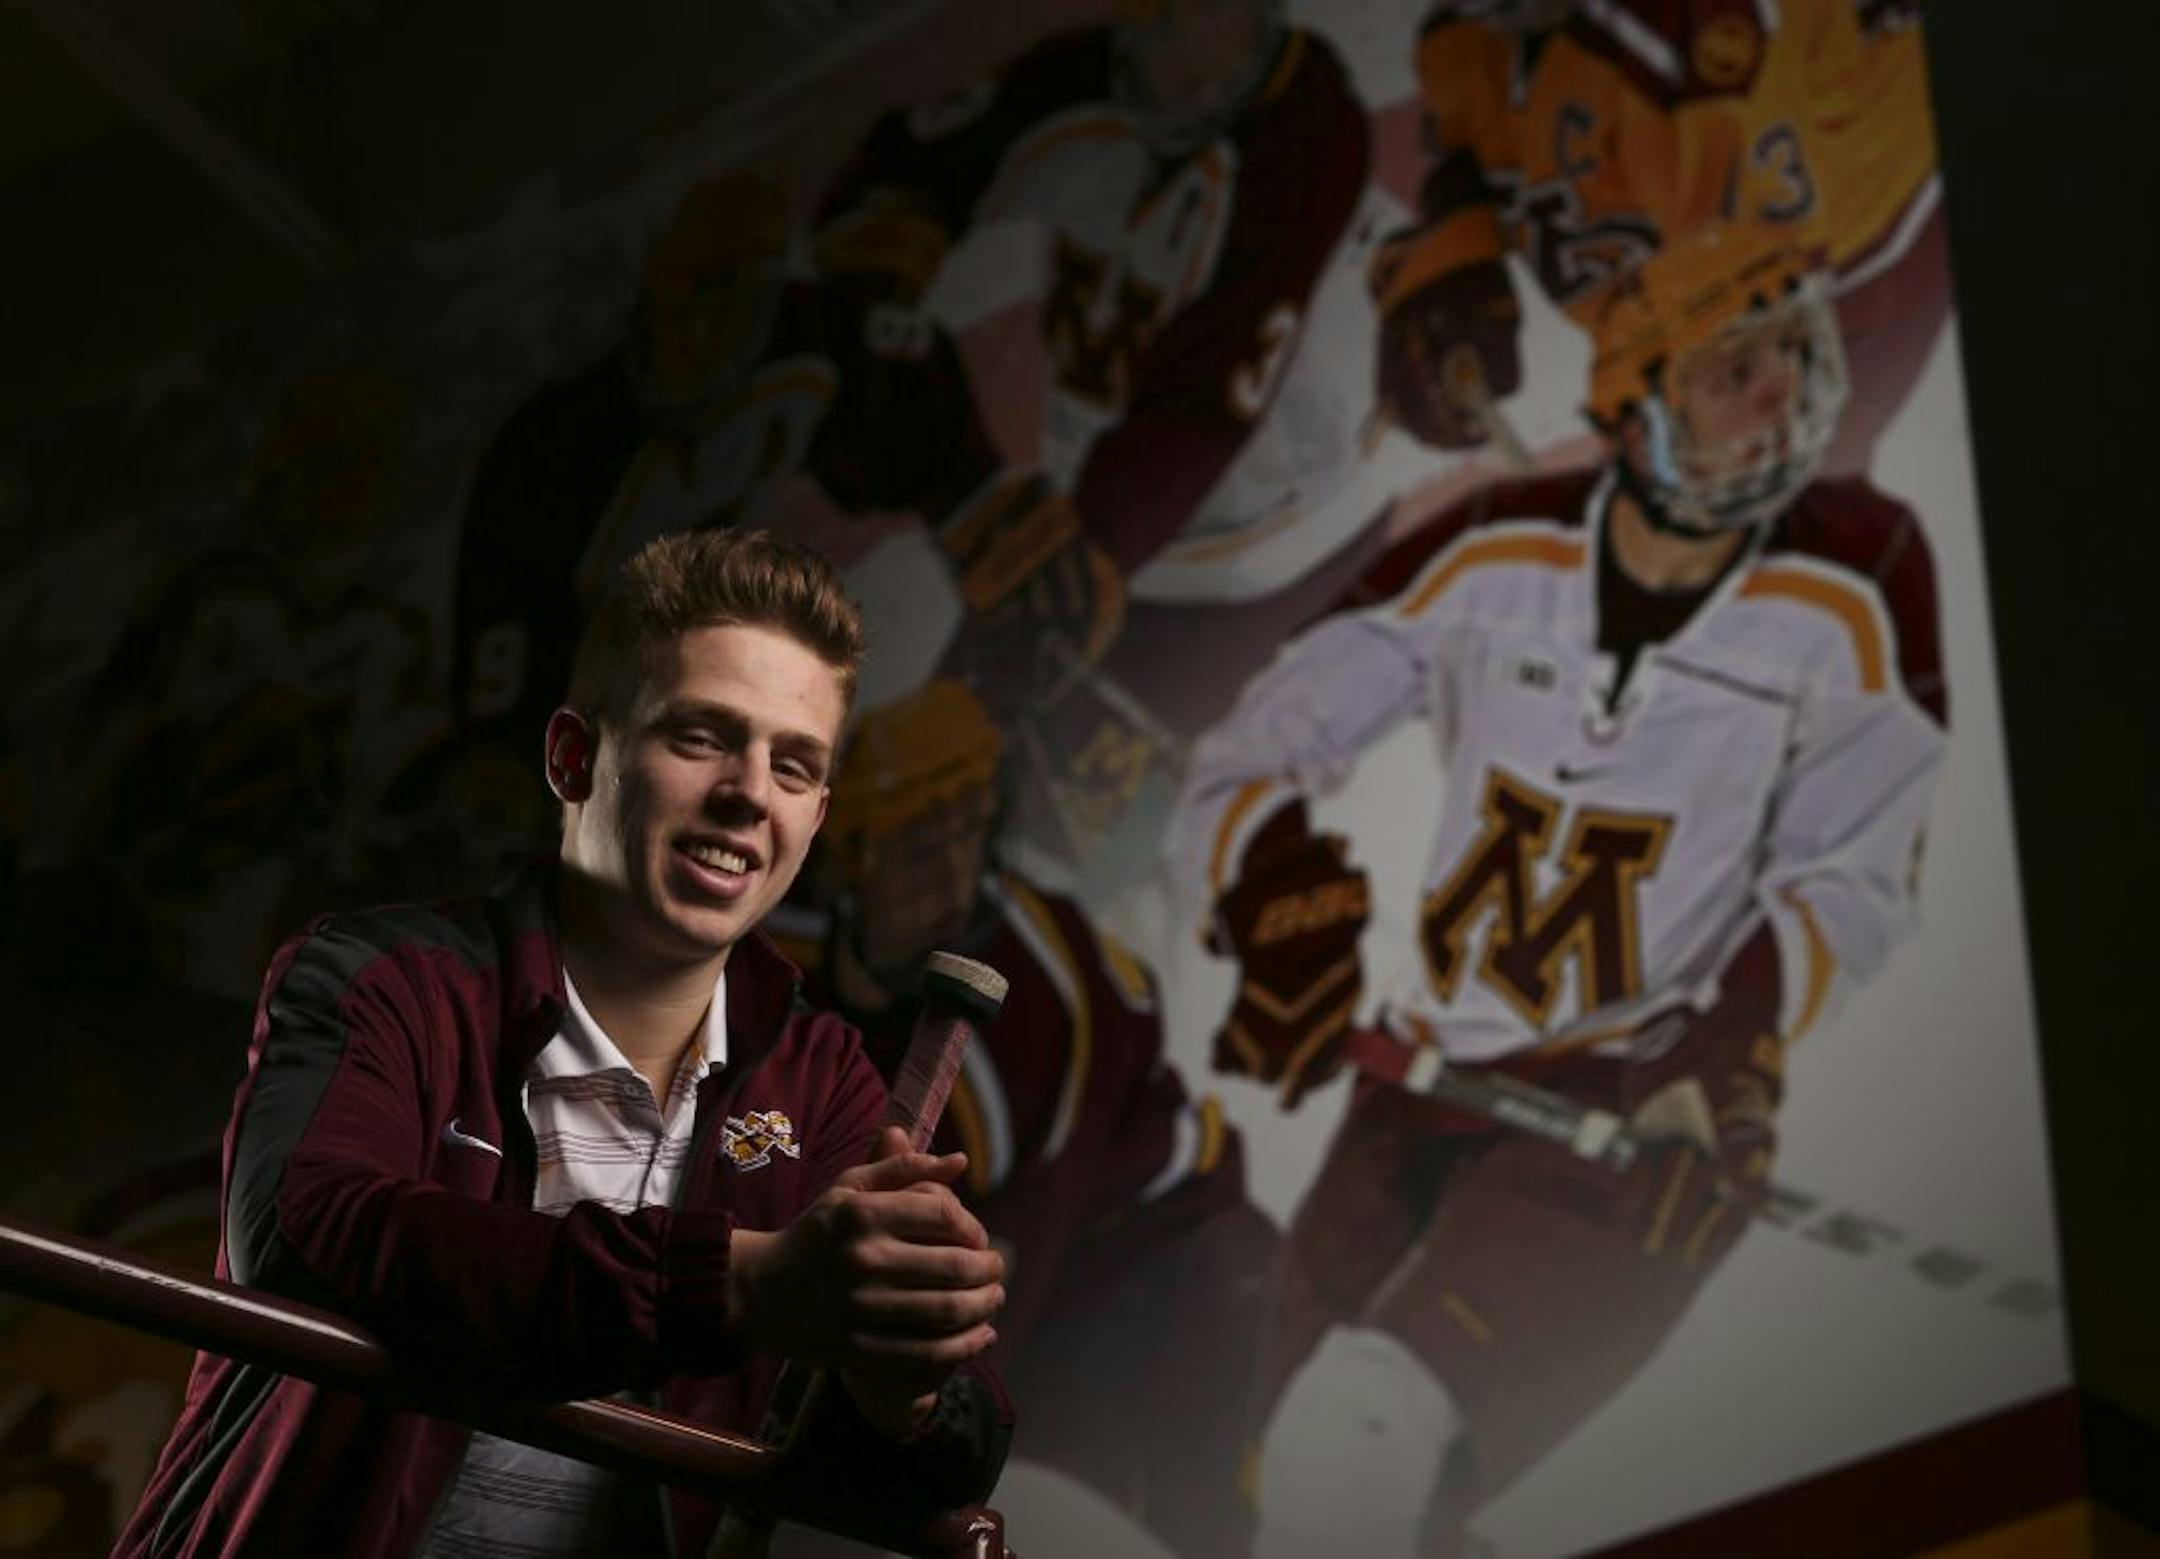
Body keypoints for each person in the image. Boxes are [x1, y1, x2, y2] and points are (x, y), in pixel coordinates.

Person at [1172, 225, 1946, 1554]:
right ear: (1637, 403)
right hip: (1419, 1075)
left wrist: (1727, 1046)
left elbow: (1852, 872)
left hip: (1646, 1112)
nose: (1781, 400)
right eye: (1731, 372)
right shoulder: (1493, 542)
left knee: (1351, 1447)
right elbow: (1258, 743)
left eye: (1792, 356)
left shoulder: (1864, 569)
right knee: (1282, 1496)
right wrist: (1275, 904)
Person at [115, 530, 1011, 1558]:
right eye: (701, 736)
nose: (749, 791)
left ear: (816, 814)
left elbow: (963, 1439)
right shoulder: (381, 978)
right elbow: (310, 1233)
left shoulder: (824, 1082)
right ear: (572, 756)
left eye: (793, 763)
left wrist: (906, 1385)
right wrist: (742, 1283)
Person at [789, 680, 1276, 1556]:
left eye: (964, 823)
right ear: (845, 846)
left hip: (1154, 1266)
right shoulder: (785, 937)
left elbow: (992, 1276)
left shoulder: (1034, 1003)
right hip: (1060, 1263)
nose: (945, 861)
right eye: (914, 831)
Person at [1377, 0, 1945, 478]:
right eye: (1786, 361)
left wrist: (1454, 239)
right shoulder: (1825, 186)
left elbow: (1489, 84)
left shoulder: (1601, 301)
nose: (1774, 390)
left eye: (1738, 376)